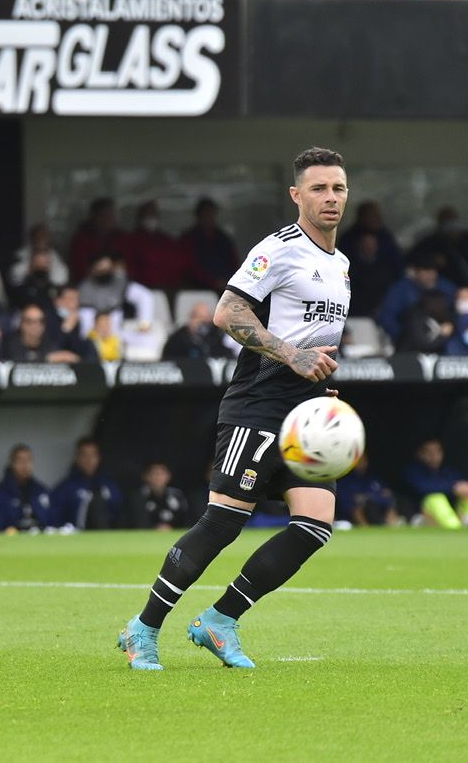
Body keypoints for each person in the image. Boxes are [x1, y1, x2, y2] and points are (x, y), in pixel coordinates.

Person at [118, 147, 350, 672]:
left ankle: (221, 621)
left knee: (315, 525)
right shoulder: (279, 249)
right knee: (223, 522)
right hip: (258, 402)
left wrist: (318, 387)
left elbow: (313, 337)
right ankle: (143, 628)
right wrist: (292, 356)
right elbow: (228, 311)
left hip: (304, 410)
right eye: (318, 188)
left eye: (337, 188)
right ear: (297, 195)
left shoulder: (341, 264)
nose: (330, 198)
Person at [403, 438, 468, 528]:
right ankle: (456, 528)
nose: (433, 456)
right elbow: (422, 487)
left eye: (437, 451)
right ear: (419, 454)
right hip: (423, 512)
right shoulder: (412, 471)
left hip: (454, 510)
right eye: (428, 452)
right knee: (436, 498)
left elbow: (463, 483)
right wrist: (453, 488)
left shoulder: (447, 471)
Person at [52, 437, 123, 530]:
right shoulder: (65, 488)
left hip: (107, 537)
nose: (89, 460)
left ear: (99, 458)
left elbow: (120, 514)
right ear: (77, 458)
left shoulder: (110, 486)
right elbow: (55, 519)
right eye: (84, 455)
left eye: (93, 455)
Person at [0, 444, 53, 532]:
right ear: (12, 463)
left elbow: (50, 521)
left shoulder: (41, 490)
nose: (25, 465)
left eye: (28, 460)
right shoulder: (0, 492)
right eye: (20, 461)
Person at [334, 453, 399, 526]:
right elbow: (349, 505)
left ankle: (393, 525)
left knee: (389, 503)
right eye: (358, 461)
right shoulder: (345, 481)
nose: (361, 463)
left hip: (378, 514)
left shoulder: (372, 478)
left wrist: (366, 497)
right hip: (349, 521)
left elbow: (387, 496)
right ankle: (366, 528)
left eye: (363, 460)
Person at [129, 462, 190, 531]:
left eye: (161, 474)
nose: (158, 477)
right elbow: (138, 521)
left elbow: (186, 519)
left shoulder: (177, 495)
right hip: (147, 535)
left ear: (168, 476)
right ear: (145, 476)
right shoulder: (138, 497)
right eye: (154, 474)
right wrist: (155, 528)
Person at [161, 301, 230, 360]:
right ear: (192, 319)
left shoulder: (215, 336)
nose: (205, 324)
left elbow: (226, 356)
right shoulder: (178, 338)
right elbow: (169, 360)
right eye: (201, 318)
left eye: (207, 319)